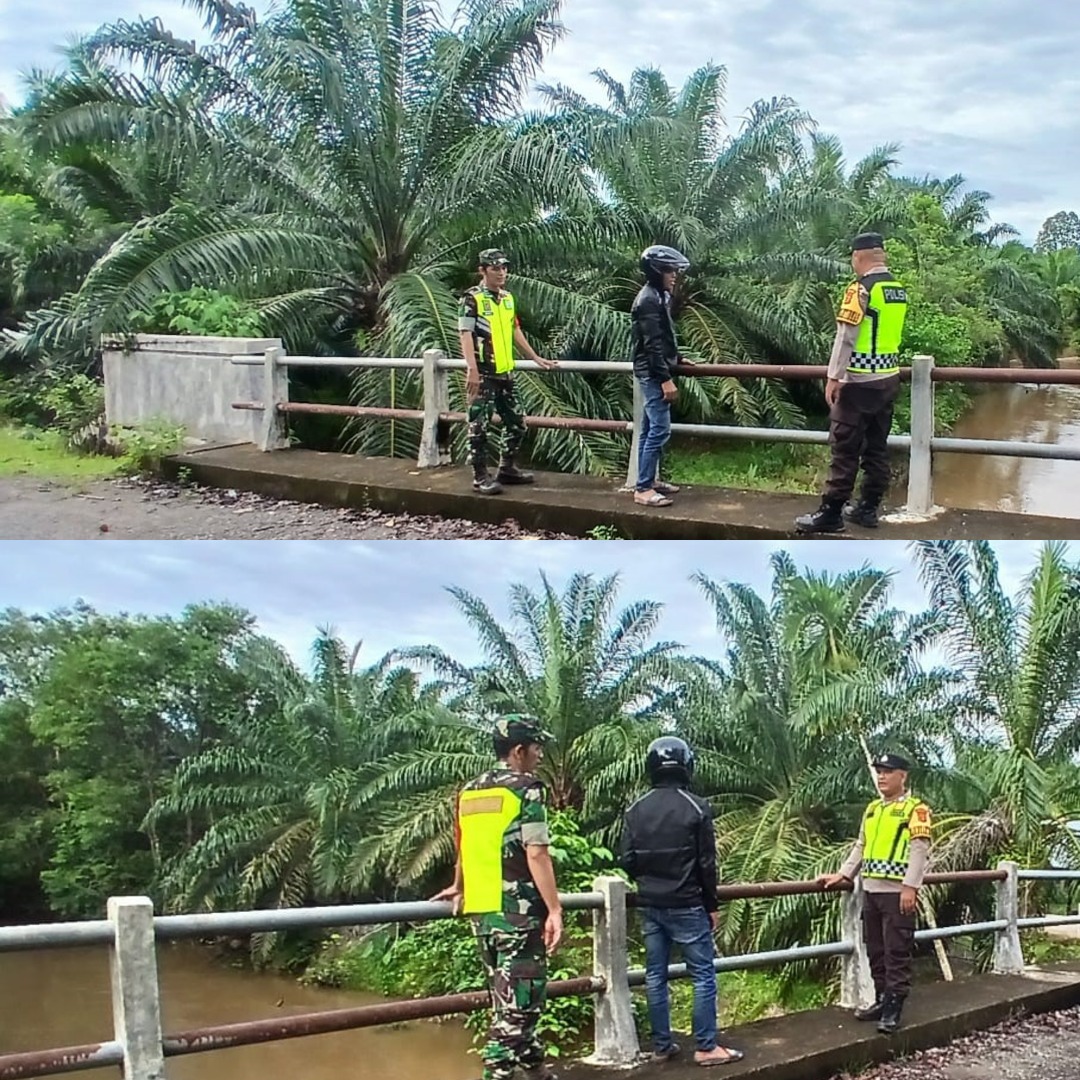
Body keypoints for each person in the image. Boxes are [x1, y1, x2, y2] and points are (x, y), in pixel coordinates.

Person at [432, 715, 563, 1080]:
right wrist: (554, 909)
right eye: (537, 747)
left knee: (509, 1001)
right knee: (520, 1006)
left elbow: (465, 846)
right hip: (518, 915)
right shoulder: (527, 788)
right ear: (519, 750)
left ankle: (535, 1069)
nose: (539, 755)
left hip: (484, 912)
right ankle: (497, 1072)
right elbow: (536, 852)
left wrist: (459, 885)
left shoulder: (470, 791)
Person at [620, 736, 744, 1066]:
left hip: (649, 904)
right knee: (702, 974)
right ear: (686, 765)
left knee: (655, 975)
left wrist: (649, 878)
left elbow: (627, 859)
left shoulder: (635, 809)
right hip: (688, 904)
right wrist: (712, 904)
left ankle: (662, 1045)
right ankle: (706, 1047)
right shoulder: (696, 807)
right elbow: (707, 863)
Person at [796, 232, 909, 533]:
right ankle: (867, 509)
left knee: (844, 447)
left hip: (858, 381)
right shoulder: (896, 289)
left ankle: (831, 514)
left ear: (859, 257)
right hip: (888, 378)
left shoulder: (860, 289)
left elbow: (846, 337)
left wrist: (834, 377)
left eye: (852, 258)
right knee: (877, 448)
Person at [819, 752, 932, 1035]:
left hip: (897, 893)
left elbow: (919, 849)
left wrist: (910, 886)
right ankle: (882, 1000)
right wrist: (844, 874)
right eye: (879, 771)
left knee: (897, 950)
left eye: (888, 771)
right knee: (876, 949)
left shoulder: (915, 809)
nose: (881, 776)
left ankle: (894, 1007)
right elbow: (861, 846)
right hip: (870, 890)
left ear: (902, 776)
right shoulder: (873, 809)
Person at [459, 249, 558, 496]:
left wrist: (535, 357)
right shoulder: (472, 298)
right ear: (482, 271)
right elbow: (465, 334)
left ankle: (507, 468)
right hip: (483, 372)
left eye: (504, 268)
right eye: (495, 268)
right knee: (478, 426)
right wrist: (471, 368)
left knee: (517, 422)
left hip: (505, 371)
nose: (501, 273)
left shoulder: (507, 298)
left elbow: (515, 331)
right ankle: (480, 476)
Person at [631, 244, 691, 508]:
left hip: (656, 368)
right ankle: (643, 488)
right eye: (669, 270)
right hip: (652, 372)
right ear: (656, 272)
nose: (674, 275)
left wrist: (676, 358)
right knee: (659, 429)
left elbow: (664, 336)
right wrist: (665, 377)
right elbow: (651, 344)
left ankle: (649, 480)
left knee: (648, 429)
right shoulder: (648, 301)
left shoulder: (659, 296)